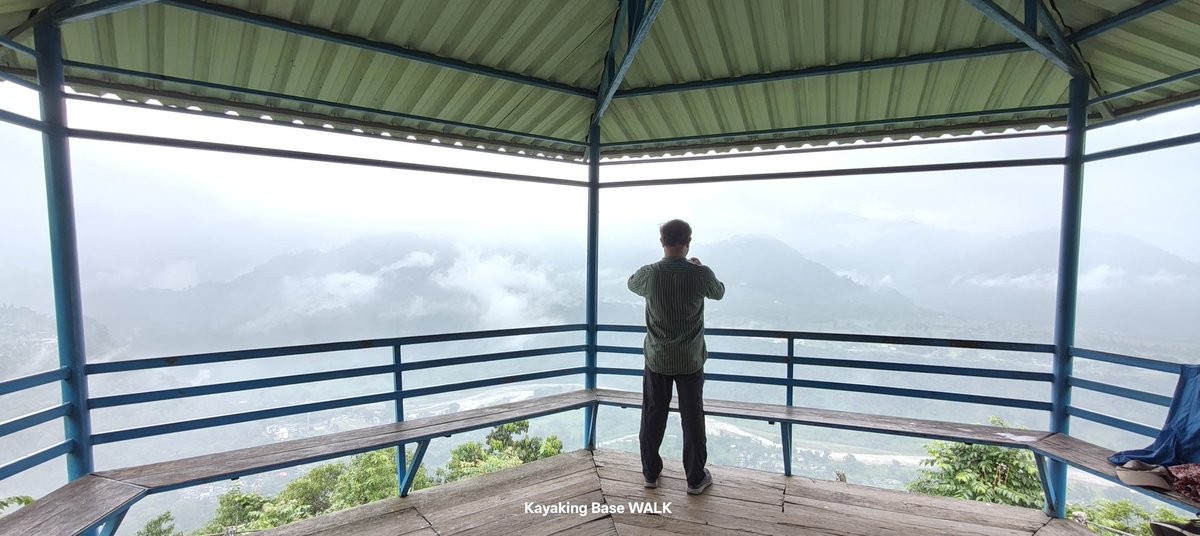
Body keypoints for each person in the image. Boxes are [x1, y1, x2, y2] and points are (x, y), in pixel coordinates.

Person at [627, 219, 725, 495]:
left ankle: (650, 473)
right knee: (692, 417)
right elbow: (719, 292)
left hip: (657, 359)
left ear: (662, 241)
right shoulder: (699, 273)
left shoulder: (651, 274)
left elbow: (631, 283)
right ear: (688, 242)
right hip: (690, 360)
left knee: (652, 414)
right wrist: (697, 266)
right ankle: (695, 478)